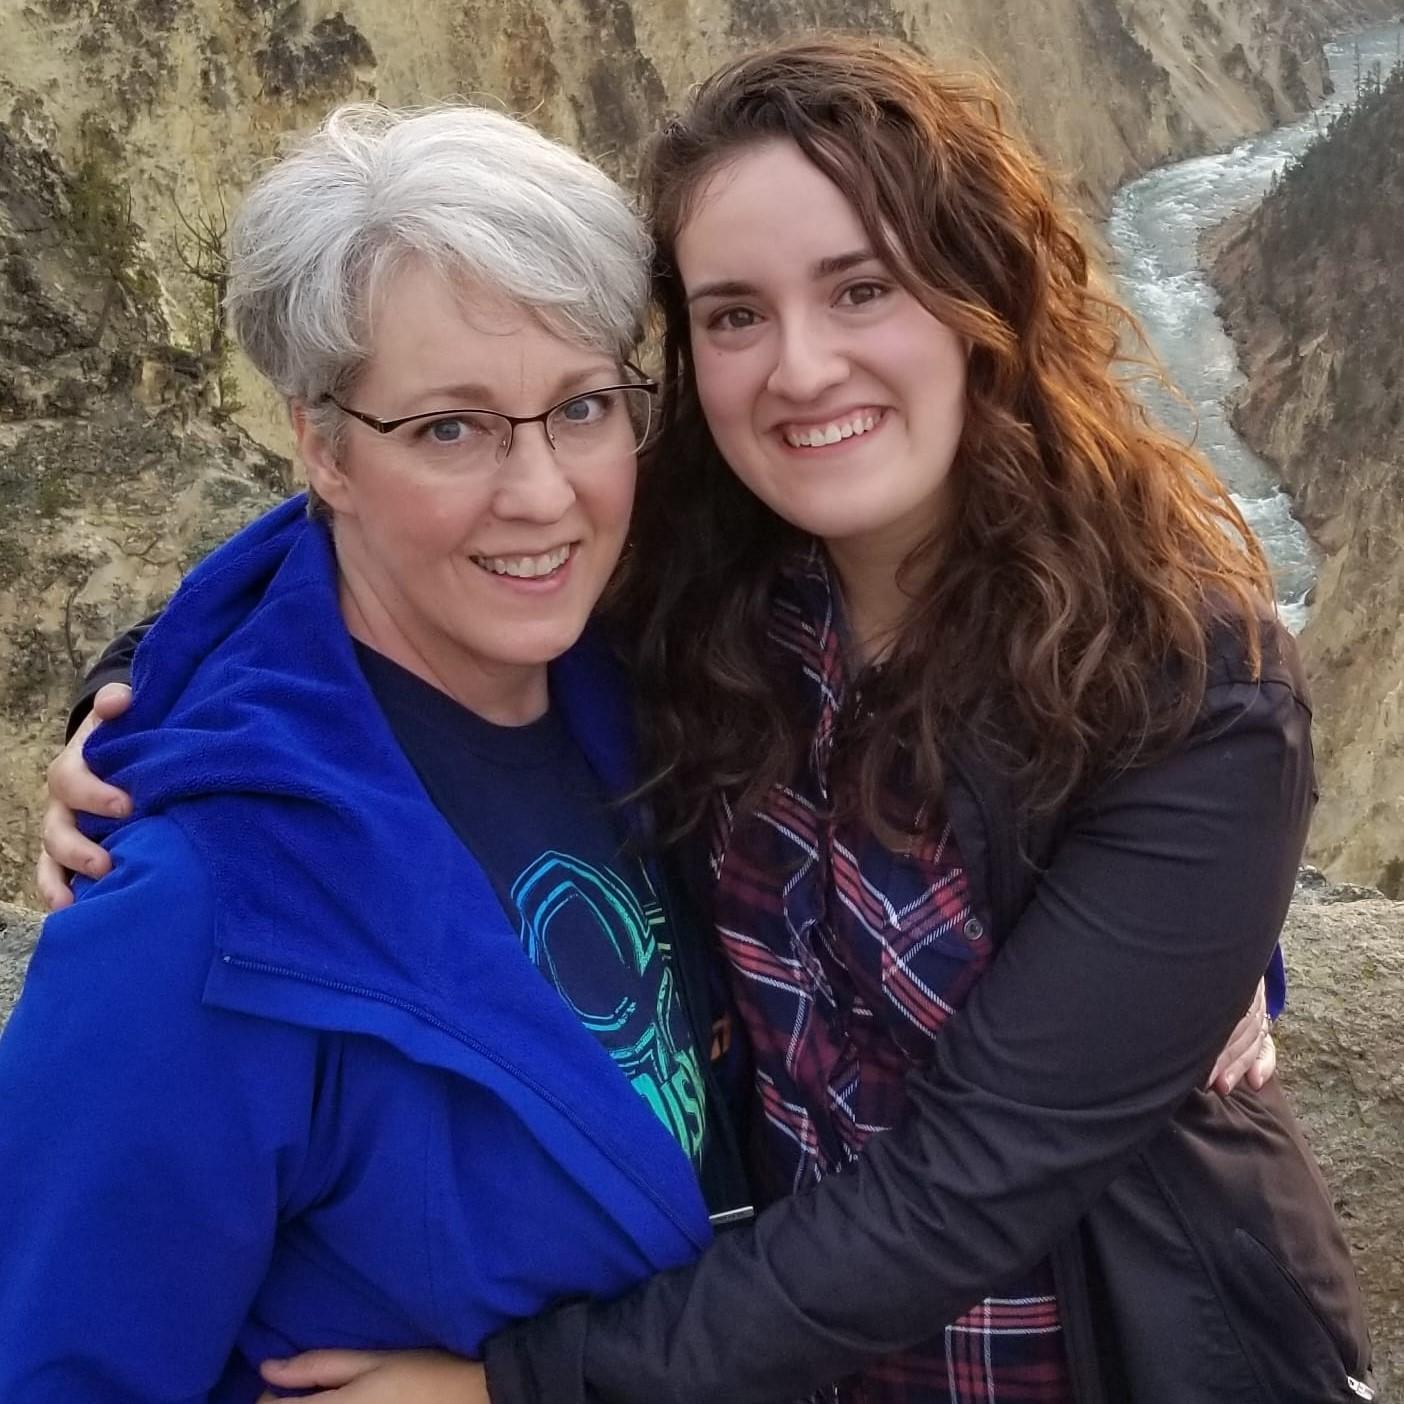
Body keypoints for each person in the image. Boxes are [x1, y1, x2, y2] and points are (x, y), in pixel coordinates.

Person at [34, 37, 1365, 1404]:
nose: (802, 368)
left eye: (862, 287)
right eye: (734, 314)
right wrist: (141, 709)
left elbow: (965, 1182)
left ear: (982, 299)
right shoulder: (707, 575)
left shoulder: (1178, 680)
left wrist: (515, 1389)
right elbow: (395, 522)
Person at [0, 102, 750, 1402]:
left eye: (581, 406)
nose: (543, 493)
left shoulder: (650, 683)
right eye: (451, 427)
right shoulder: (202, 919)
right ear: (321, 445)